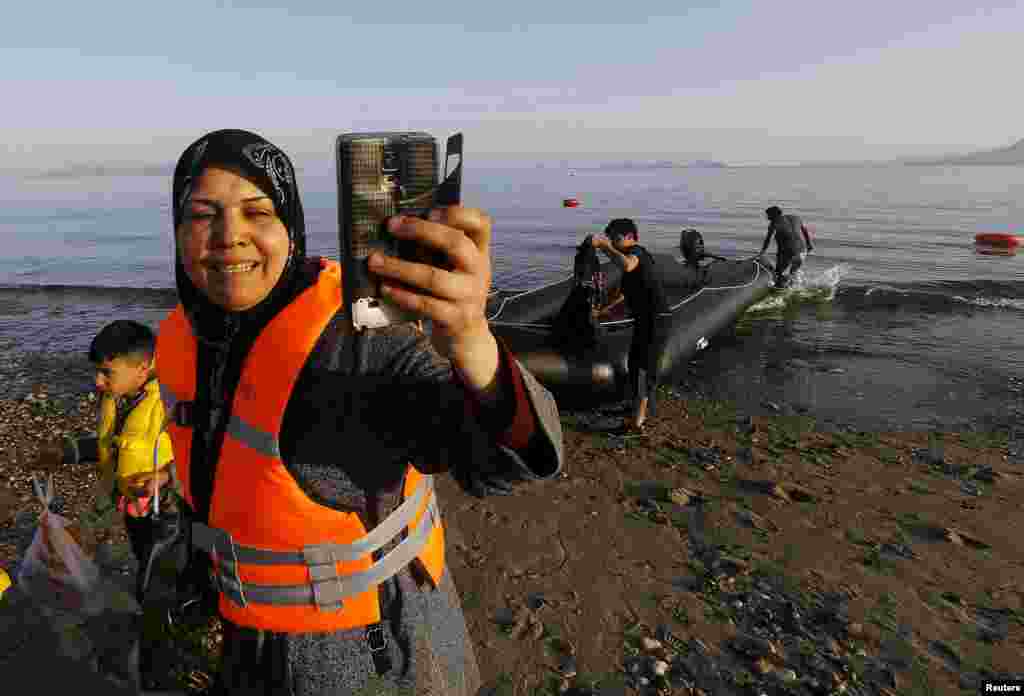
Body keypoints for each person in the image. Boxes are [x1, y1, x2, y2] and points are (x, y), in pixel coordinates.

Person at [156, 129, 564, 695]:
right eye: (203, 214)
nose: (230, 237)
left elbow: (491, 461)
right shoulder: (185, 336)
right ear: (177, 231)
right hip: (246, 639)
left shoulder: (362, 339)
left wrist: (471, 339)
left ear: (291, 226)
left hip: (372, 651)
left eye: (258, 212)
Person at [592, 218, 669, 433]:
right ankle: (631, 407)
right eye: (610, 238)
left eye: (616, 238)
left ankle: (637, 421)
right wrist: (603, 311)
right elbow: (623, 295)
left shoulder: (638, 252)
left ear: (631, 237)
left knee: (645, 367)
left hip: (657, 319)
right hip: (643, 320)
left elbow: (627, 264)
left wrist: (603, 246)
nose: (613, 243)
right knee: (635, 365)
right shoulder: (628, 262)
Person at [760, 205, 814, 288]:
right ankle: (792, 287)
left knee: (778, 274)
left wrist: (762, 252)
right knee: (793, 273)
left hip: (788, 252)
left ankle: (779, 287)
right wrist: (809, 244)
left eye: (768, 215)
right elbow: (805, 230)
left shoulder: (774, 223)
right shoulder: (796, 218)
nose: (767, 217)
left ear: (774, 215)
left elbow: (768, 239)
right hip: (802, 251)